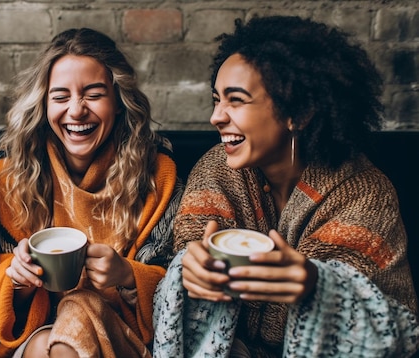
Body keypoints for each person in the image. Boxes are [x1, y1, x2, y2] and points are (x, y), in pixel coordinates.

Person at [152, 15, 419, 358]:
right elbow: (181, 264)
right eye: (216, 99)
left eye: (236, 100)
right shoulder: (216, 169)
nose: (216, 116)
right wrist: (188, 271)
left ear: (300, 112)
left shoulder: (366, 194)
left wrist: (319, 288)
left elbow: (398, 334)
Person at [0, 27, 182, 357]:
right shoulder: (15, 172)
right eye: (61, 97)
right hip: (41, 333)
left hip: (127, 338)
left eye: (93, 94)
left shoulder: (156, 173)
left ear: (119, 102)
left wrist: (127, 275)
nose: (76, 110)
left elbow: (178, 278)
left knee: (79, 307)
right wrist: (18, 281)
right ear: (43, 104)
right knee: (46, 340)